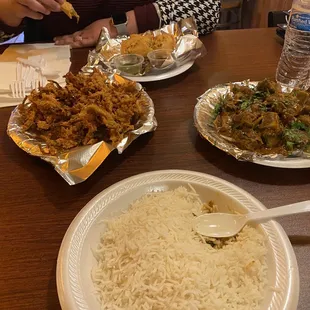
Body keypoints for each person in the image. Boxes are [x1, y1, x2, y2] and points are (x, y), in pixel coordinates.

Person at [0, 0, 220, 47]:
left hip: (157, 75)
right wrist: (7, 12)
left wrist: (116, 26)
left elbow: (208, 9)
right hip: (54, 69)